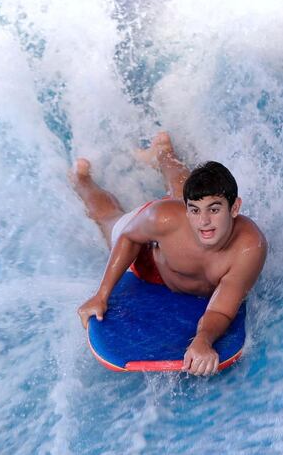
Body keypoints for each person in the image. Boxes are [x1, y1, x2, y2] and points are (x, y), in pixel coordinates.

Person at [71, 132, 267, 376]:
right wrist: (101, 295)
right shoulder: (165, 218)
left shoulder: (249, 247)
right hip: (147, 258)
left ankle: (163, 151)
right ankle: (82, 181)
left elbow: (221, 309)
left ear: (235, 207)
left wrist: (203, 340)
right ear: (187, 211)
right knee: (110, 219)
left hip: (172, 223)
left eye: (214, 209)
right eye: (194, 210)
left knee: (183, 188)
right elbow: (129, 238)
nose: (204, 221)